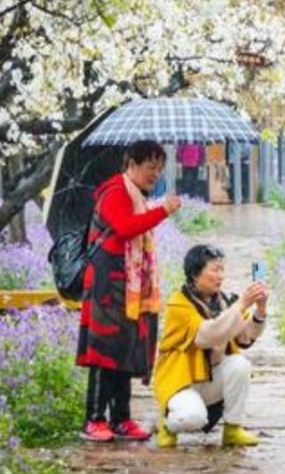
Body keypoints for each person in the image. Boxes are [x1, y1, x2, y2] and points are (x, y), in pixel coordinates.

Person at [75, 140, 182, 442]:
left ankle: (121, 418)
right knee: (104, 351)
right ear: (131, 164)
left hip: (128, 285)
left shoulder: (137, 195)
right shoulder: (115, 192)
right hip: (107, 283)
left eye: (159, 169)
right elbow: (124, 228)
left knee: (124, 349)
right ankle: (94, 419)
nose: (155, 175)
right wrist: (163, 211)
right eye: (150, 168)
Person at [152, 244, 267, 448]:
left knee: (240, 364)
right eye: (214, 269)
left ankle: (232, 429)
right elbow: (207, 336)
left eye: (222, 269)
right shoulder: (179, 303)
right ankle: (167, 424)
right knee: (192, 417)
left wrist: (260, 309)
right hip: (182, 382)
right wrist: (241, 305)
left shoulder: (224, 301)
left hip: (209, 378)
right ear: (195, 274)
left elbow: (246, 336)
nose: (220, 276)